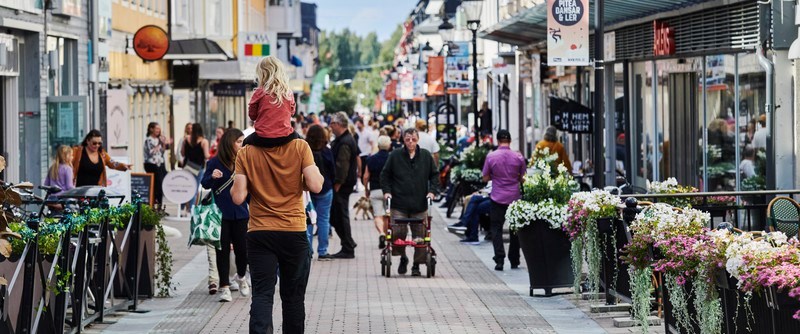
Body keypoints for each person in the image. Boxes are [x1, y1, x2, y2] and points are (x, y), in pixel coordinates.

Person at [230, 128, 323, 333]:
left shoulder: (246, 152)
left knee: (262, 294)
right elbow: (316, 185)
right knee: (293, 298)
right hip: (293, 231)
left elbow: (238, 197)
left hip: (260, 232)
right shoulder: (300, 146)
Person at [380, 128, 439, 276]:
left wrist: (432, 191)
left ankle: (416, 265)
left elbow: (434, 175)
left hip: (419, 203)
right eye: (407, 139)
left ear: (418, 139)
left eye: (413, 139)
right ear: (403, 140)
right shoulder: (395, 155)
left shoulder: (425, 156)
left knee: (420, 236)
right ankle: (402, 257)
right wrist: (387, 191)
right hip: (399, 202)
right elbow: (385, 175)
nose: (411, 142)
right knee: (398, 233)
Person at [201, 128, 250, 302]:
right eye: (238, 141)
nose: (242, 144)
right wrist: (212, 177)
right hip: (220, 213)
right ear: (230, 143)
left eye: (243, 141)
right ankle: (224, 287)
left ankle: (241, 276)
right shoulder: (215, 162)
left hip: (241, 212)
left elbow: (249, 187)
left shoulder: (244, 160)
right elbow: (205, 184)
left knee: (242, 250)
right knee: (221, 251)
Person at [482, 130, 525, 271]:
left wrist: (496, 177)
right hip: (514, 197)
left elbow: (485, 178)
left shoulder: (491, 157)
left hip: (497, 197)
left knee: (496, 228)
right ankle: (514, 260)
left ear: (498, 140)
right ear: (510, 141)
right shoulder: (518, 157)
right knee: (515, 229)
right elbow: (522, 178)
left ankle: (499, 260)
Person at [245, 56, 298, 147]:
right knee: (300, 141)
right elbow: (292, 112)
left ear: (262, 74)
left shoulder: (259, 92)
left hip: (262, 137)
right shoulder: (288, 93)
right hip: (285, 136)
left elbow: (252, 115)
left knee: (245, 143)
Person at [329, 112, 359, 258]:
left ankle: (348, 245)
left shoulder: (345, 141)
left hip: (342, 185)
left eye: (332, 123)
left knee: (340, 215)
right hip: (344, 184)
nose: (330, 126)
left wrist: (338, 184)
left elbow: (342, 165)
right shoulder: (344, 139)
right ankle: (348, 243)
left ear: (339, 124)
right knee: (338, 215)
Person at [305, 124, 336, 260]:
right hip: (325, 188)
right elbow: (333, 171)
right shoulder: (327, 151)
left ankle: (308, 250)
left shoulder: (306, 151)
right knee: (324, 220)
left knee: (308, 220)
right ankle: (322, 251)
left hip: (308, 191)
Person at [363, 135, 391, 249]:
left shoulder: (371, 159)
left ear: (378, 146)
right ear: (389, 145)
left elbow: (366, 176)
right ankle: (387, 236)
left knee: (377, 215)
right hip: (389, 191)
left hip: (375, 190)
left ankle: (381, 233)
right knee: (387, 216)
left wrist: (366, 189)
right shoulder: (392, 158)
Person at [182, 123, 210, 209]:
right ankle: (191, 209)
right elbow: (206, 156)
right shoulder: (204, 141)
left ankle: (182, 208)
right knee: (194, 188)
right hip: (198, 168)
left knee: (185, 187)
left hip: (187, 166)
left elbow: (182, 153)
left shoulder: (186, 139)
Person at [144, 122, 171, 207]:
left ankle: (159, 206)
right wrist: (160, 143)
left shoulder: (159, 139)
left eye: (159, 129)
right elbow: (151, 152)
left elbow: (162, 152)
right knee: (155, 185)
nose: (158, 131)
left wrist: (164, 144)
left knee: (161, 185)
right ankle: (153, 206)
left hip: (160, 164)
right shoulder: (148, 140)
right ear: (151, 129)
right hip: (151, 164)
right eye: (157, 129)